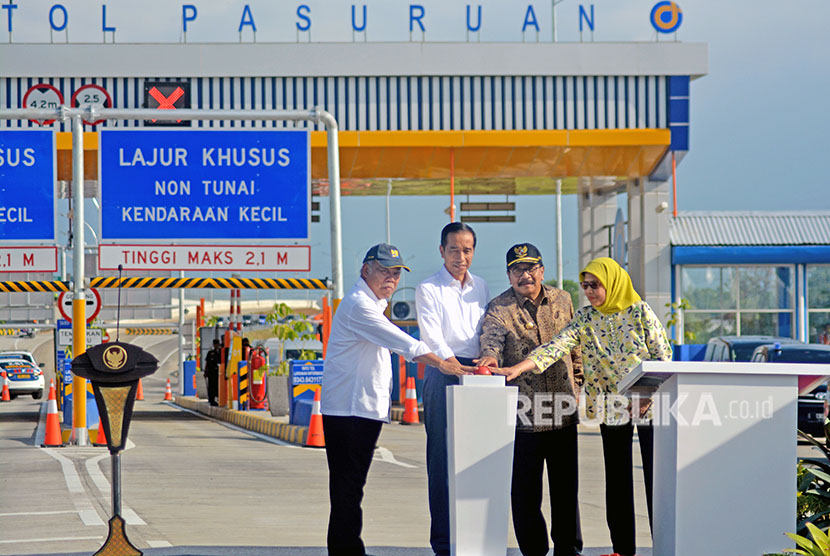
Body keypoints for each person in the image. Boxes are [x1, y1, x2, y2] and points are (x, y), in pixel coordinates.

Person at [496, 257, 672, 556]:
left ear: (612, 283)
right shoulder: (586, 317)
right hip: (609, 405)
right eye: (585, 286)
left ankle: (666, 547)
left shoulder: (640, 311)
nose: (589, 291)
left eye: (595, 285)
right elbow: (556, 346)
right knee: (617, 482)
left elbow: (663, 355)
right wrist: (520, 367)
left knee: (657, 481)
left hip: (648, 404)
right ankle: (622, 551)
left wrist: (646, 395)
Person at [321, 243, 475, 556]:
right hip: (349, 410)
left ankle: (348, 548)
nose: (391, 279)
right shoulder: (359, 305)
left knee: (351, 488)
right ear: (366, 270)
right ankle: (347, 550)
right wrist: (445, 363)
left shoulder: (373, 304)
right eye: (384, 271)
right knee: (348, 488)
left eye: (395, 273)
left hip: (361, 410)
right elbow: (405, 343)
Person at [478, 243, 583, 556]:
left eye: (530, 268)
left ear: (541, 270)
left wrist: (579, 383)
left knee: (566, 489)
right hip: (524, 417)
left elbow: (575, 345)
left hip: (563, 409)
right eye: (516, 270)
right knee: (525, 492)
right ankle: (534, 550)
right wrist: (489, 359)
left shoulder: (563, 300)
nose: (524, 275)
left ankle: (568, 548)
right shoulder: (500, 308)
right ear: (509, 275)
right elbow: (491, 342)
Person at [415, 222, 490, 556]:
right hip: (442, 371)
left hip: (479, 372)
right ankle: (443, 543)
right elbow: (432, 336)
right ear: (442, 250)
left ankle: (476, 535)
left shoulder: (483, 287)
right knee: (442, 460)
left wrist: (486, 361)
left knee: (479, 457)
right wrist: (452, 366)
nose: (462, 256)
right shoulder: (428, 288)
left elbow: (488, 329)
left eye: (468, 249)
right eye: (455, 249)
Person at [204, 339, 221, 406]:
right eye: (215, 344)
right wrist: (205, 372)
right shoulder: (210, 353)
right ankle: (211, 399)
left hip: (218, 373)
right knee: (211, 386)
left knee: (217, 386)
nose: (216, 345)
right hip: (211, 373)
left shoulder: (220, 352)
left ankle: (218, 399)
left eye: (217, 344)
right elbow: (207, 363)